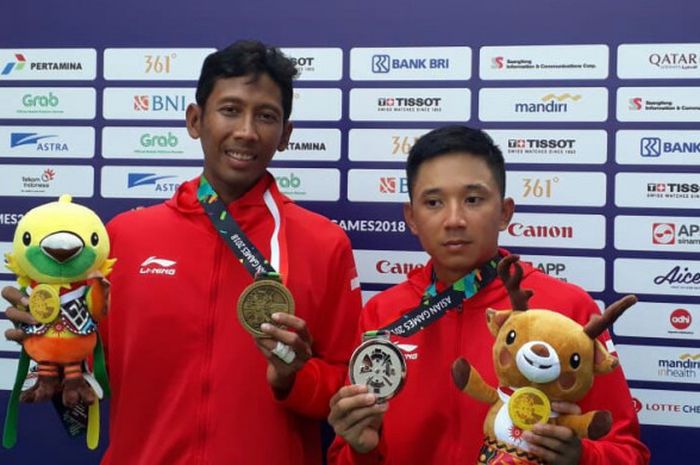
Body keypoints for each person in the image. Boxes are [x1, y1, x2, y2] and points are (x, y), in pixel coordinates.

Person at [4, 40, 363, 465]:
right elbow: (88, 383)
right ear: (195, 120)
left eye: (265, 116)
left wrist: (293, 378)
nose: (246, 131)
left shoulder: (324, 244)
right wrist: (51, 338)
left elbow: (348, 390)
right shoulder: (124, 238)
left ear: (285, 135)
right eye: (230, 109)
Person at [326, 126, 649, 465]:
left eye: (473, 199)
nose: (454, 219)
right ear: (412, 217)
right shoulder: (382, 314)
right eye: (433, 202)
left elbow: (628, 451)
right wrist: (361, 450)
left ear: (505, 211)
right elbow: (344, 455)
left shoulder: (567, 308)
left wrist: (581, 457)